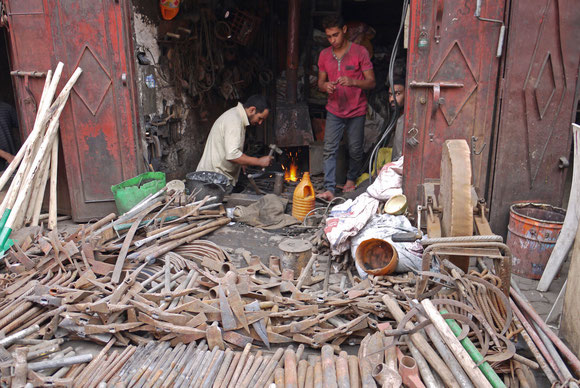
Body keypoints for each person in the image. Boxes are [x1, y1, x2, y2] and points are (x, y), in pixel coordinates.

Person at [317, 15, 376, 201]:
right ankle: (329, 189)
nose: (332, 40)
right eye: (328, 37)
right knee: (329, 149)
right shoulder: (324, 55)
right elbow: (320, 82)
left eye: (335, 35)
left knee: (355, 149)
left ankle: (351, 180)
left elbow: (371, 82)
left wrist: (353, 81)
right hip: (334, 110)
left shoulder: (360, 52)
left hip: (356, 110)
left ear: (344, 30)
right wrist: (325, 86)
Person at [196, 94, 273, 185]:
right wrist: (259, 161)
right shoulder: (234, 120)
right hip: (213, 181)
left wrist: (241, 162)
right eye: (260, 118)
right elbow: (232, 155)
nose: (260, 123)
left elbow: (231, 149)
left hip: (215, 179)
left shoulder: (235, 116)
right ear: (252, 110)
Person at [389, 77, 405, 161]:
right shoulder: (397, 117)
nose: (392, 99)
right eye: (390, 95)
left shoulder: (404, 120)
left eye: (398, 93)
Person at [0, 102, 18, 171]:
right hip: (10, 159)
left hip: (11, 162)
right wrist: (7, 156)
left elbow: (26, 126)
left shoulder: (6, 108)